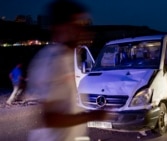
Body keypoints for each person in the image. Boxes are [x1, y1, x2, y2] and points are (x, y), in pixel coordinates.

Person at [25, 0, 109, 141]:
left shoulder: (68, 56)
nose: (84, 30)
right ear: (60, 27)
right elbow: (50, 118)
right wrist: (92, 116)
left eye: (86, 24)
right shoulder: (53, 60)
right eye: (78, 24)